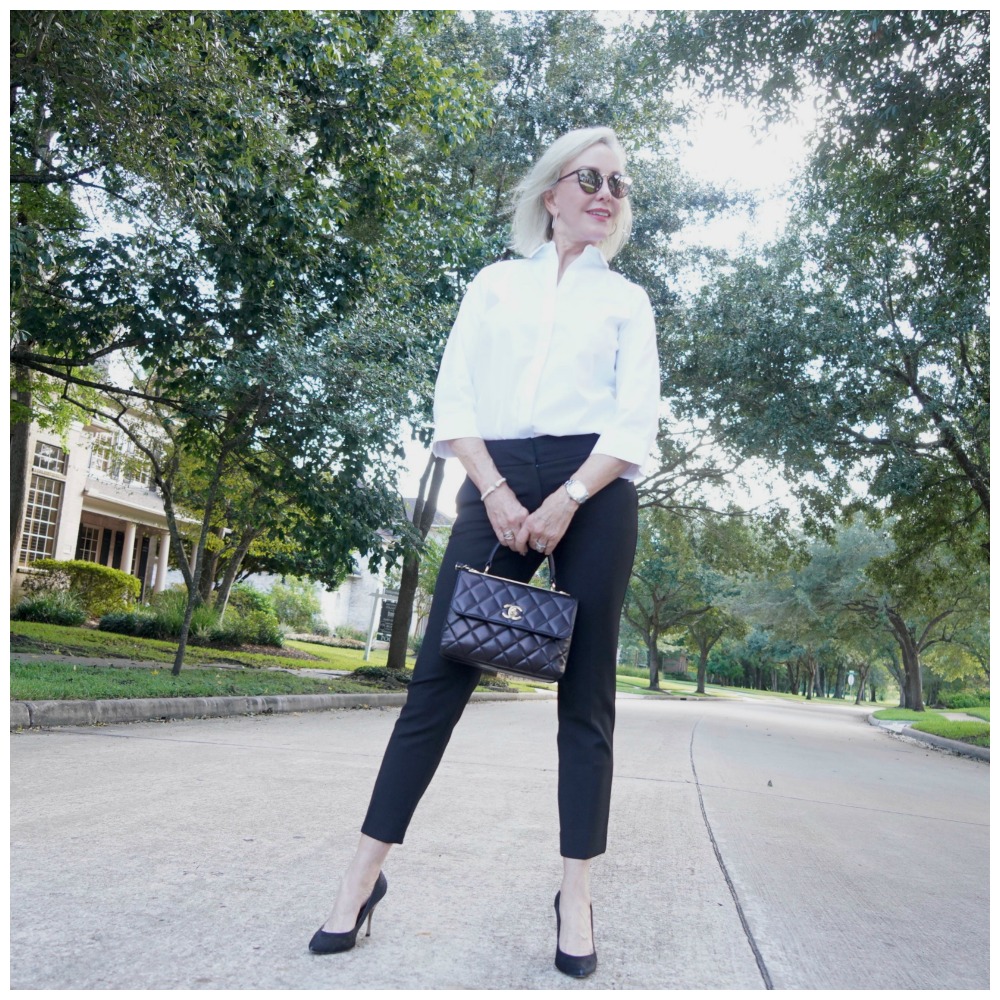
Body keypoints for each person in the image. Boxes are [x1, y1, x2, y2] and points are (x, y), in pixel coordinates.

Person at [309, 126, 660, 979]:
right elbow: (454, 395)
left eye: (619, 183)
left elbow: (634, 419)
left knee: (586, 698)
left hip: (597, 489)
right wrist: (498, 492)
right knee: (435, 682)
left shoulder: (628, 302)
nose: (607, 194)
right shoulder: (494, 286)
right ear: (553, 193)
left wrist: (570, 497)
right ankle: (361, 880)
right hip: (495, 477)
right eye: (591, 178)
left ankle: (575, 894)